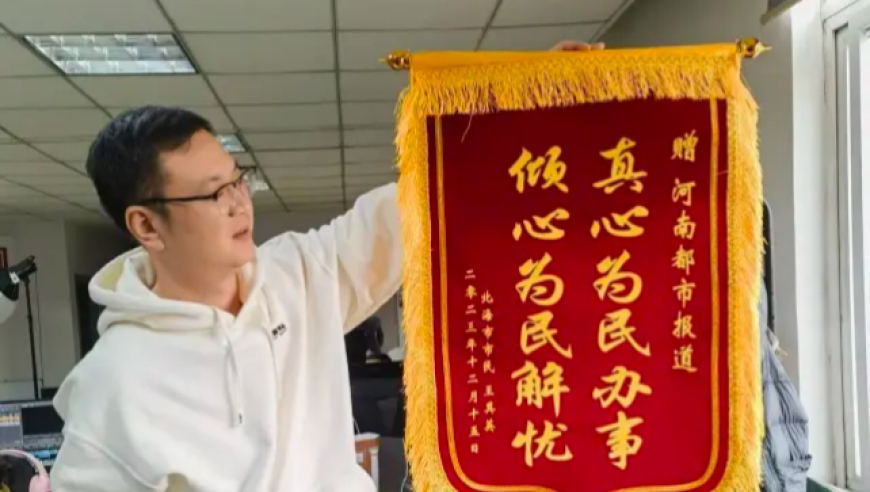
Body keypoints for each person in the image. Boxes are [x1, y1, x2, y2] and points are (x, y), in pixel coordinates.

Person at [49, 41, 602, 492]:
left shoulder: (296, 275)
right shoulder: (113, 385)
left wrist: (521, 106)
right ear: (147, 226)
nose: (240, 204)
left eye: (239, 181)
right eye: (215, 193)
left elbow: (418, 205)